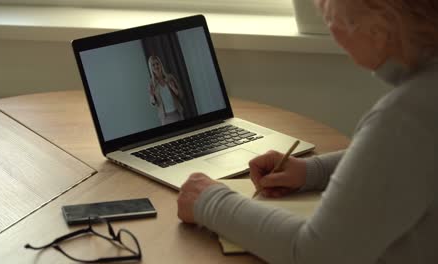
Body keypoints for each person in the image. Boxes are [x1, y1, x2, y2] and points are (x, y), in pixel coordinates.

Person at [177, 0, 438, 263]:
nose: (332, 31)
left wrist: (209, 201)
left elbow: (318, 254)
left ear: (378, 30)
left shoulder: (404, 118)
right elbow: (405, 159)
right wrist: (313, 171)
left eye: (331, 17)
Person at [147, 55, 184, 125]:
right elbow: (153, 103)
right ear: (151, 68)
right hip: (165, 118)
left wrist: (173, 88)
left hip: (177, 112)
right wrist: (152, 95)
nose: (156, 66)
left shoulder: (170, 77)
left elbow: (181, 95)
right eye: (153, 65)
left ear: (160, 64)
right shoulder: (152, 84)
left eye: (157, 63)